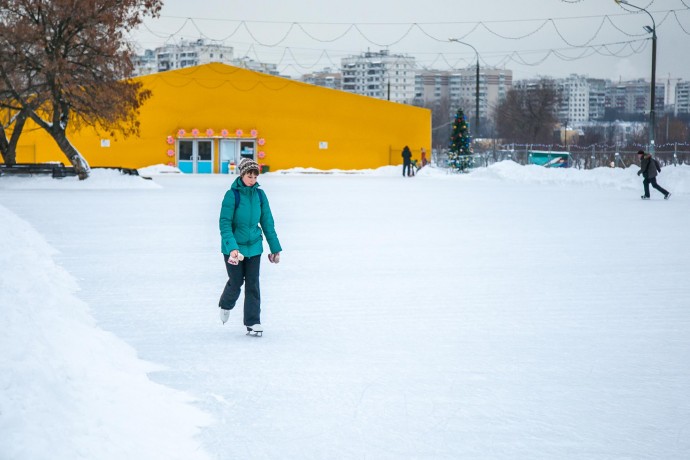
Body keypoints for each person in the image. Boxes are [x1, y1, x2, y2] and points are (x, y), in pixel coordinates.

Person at [218, 158, 282, 335]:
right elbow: (225, 223)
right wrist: (232, 247)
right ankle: (226, 303)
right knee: (236, 282)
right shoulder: (232, 195)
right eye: (249, 176)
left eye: (255, 176)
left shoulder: (260, 196)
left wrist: (275, 248)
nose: (252, 179)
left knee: (253, 284)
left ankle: (253, 322)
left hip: (254, 247)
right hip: (234, 249)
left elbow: (267, 222)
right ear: (242, 175)